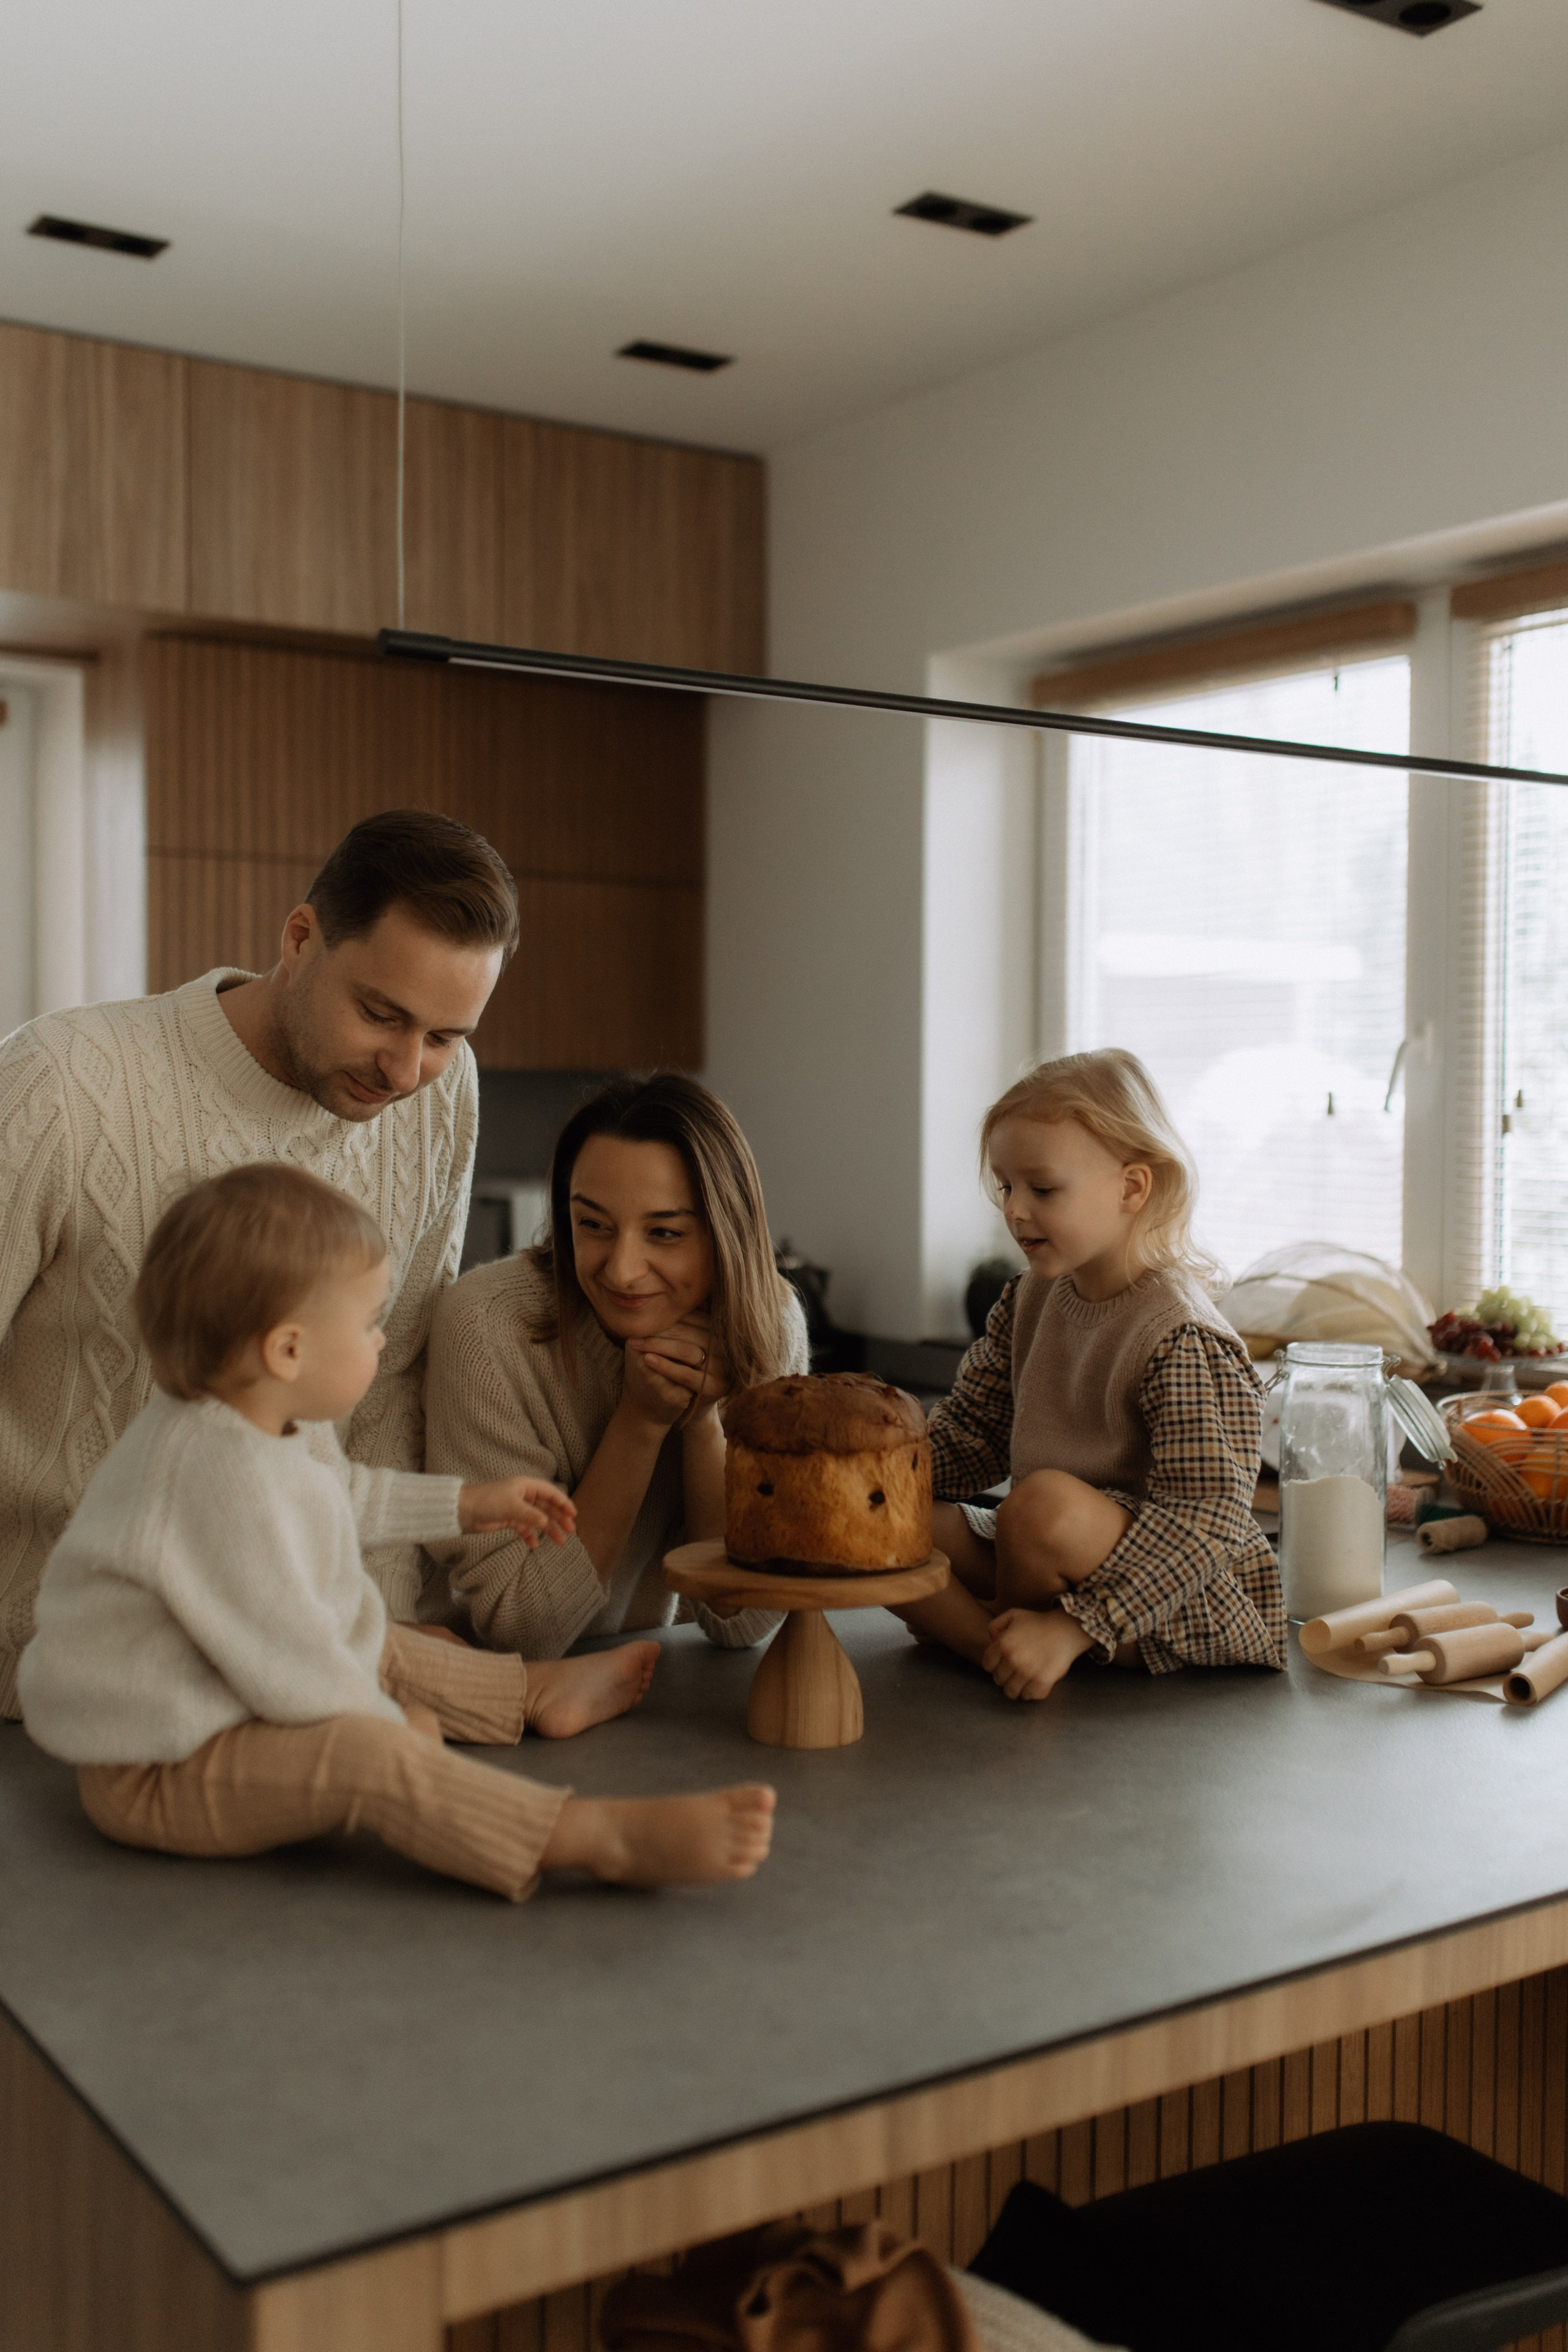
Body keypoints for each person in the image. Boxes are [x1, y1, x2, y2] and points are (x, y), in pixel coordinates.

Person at [18, 1166, 775, 1898]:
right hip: (161, 1764)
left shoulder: (252, 1421)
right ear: (288, 1350)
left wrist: (468, 1504)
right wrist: (392, 1732)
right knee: (367, 1751)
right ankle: (592, 1837)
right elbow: (293, 1663)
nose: (381, 1343)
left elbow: (337, 1495)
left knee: (376, 1637)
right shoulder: (214, 1477)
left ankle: (527, 1694)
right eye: (368, 1324)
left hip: (210, 1695)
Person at [0, 807, 514, 1720]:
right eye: (381, 1013)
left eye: (445, 1036)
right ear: (300, 938)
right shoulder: (61, 1085)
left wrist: (373, 1631)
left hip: (279, 1667)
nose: (404, 1070)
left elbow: (391, 1381)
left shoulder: (441, 1098)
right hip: (56, 1671)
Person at [900, 1049, 1284, 1700]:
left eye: (1042, 1189)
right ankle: (1001, 1649)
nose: (1015, 1210)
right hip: (1042, 1561)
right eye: (1005, 1187)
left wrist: (1081, 1626)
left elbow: (1205, 1524)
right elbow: (971, 1437)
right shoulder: (1029, 1299)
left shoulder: (1180, 1334)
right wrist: (877, 1477)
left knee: (1041, 1506)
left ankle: (1031, 1644)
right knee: (893, 1515)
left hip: (1173, 1596)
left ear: (1132, 1188)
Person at [424, 1074, 809, 1656]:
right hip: (481, 1699)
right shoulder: (487, 1328)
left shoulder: (766, 1322)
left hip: (648, 1691)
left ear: (726, 1233)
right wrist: (640, 1422)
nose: (623, 1270)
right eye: (593, 1225)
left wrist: (704, 1421)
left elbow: (744, 1621)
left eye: (665, 1232)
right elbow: (521, 1628)